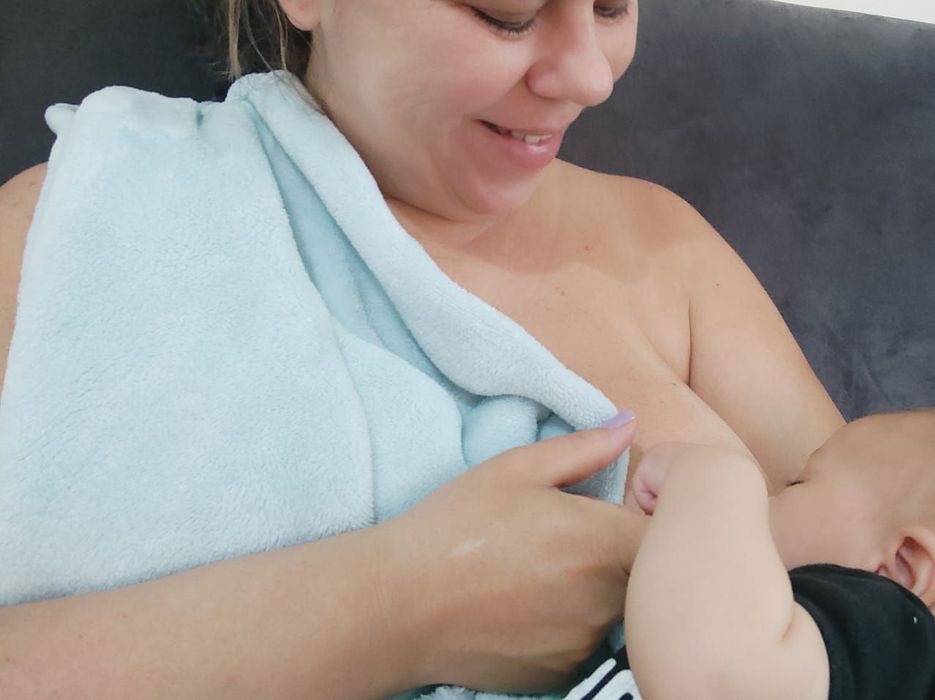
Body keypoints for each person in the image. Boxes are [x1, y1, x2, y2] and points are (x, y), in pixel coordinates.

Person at [0, 1, 843, 697]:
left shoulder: (666, 250)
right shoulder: (71, 232)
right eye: (508, 13)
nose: (591, 76)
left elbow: (905, 567)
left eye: (614, 6)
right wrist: (397, 607)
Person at [567, 408, 935, 699]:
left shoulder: (902, 649)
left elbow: (717, 681)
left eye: (798, 484)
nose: (772, 494)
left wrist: (714, 482)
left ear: (902, 572)